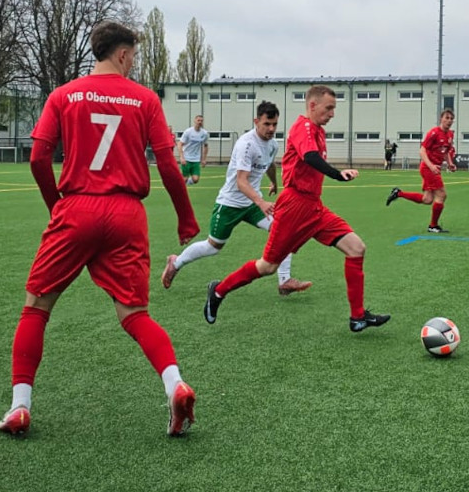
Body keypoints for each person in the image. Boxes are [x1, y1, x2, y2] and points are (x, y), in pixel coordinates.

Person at [0, 21, 199, 438]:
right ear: (123, 54)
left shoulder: (63, 95)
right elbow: (167, 164)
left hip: (76, 208)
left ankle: (19, 406)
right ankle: (174, 384)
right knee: (135, 314)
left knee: (36, 308)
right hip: (126, 214)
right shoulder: (144, 99)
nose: (134, 63)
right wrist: (185, 218)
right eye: (134, 56)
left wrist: (58, 208)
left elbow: (38, 159)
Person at [203, 85, 389, 332]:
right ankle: (218, 291)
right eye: (329, 108)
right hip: (294, 206)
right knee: (267, 266)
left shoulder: (318, 131)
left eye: (334, 108)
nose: (333, 113)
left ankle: (357, 317)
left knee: (356, 248)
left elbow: (312, 159)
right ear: (312, 105)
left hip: (313, 207)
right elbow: (310, 157)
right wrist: (337, 173)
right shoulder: (302, 127)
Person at [162, 101, 310, 296]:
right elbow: (241, 181)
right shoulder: (246, 144)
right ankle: (176, 262)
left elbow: (270, 164)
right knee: (213, 247)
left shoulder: (272, 144)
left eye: (274, 124)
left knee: (284, 231)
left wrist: (273, 182)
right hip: (230, 204)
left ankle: (284, 281)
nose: (271, 129)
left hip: (252, 204)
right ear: (256, 121)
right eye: (267, 124)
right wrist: (261, 201)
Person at [386, 109, 457, 232]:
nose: (449, 121)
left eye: (451, 118)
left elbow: (446, 151)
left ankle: (398, 193)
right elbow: (422, 151)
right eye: (447, 118)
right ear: (441, 119)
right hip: (428, 168)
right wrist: (431, 166)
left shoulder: (450, 135)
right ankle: (433, 226)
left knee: (427, 199)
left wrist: (450, 163)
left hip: (434, 169)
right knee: (441, 195)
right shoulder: (434, 133)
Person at [178, 115, 209, 185]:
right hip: (186, 158)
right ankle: (181, 184)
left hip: (196, 159)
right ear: (195, 121)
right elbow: (180, 144)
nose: (200, 122)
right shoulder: (188, 132)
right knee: (184, 178)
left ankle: (184, 183)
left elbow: (206, 146)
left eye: (201, 121)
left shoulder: (204, 133)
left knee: (195, 179)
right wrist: (181, 157)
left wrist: (204, 159)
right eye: (198, 120)